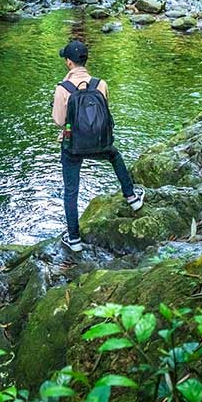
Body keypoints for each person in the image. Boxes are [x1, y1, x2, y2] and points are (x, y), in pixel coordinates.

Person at [52, 39, 143, 252]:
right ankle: (131, 197)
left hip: (73, 145)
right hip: (99, 142)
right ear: (85, 60)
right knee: (114, 156)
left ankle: (74, 239)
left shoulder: (62, 88)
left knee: (71, 190)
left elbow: (58, 120)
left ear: (68, 63)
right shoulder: (100, 84)